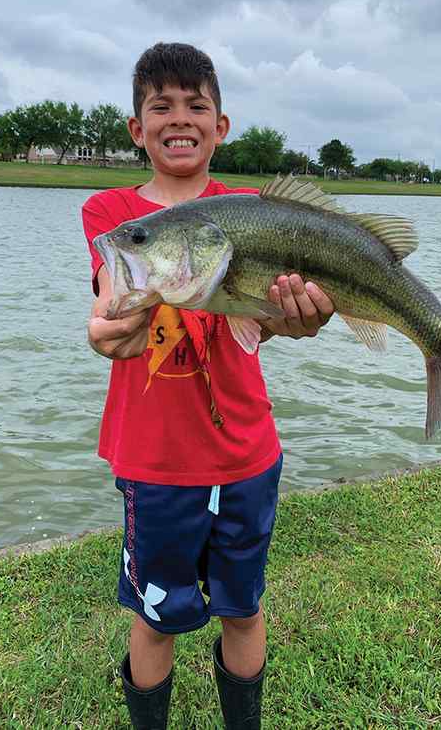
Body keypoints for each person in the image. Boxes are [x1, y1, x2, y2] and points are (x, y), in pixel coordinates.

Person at [82, 42, 334, 729]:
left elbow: (265, 319)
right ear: (137, 127)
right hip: (154, 460)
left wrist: (293, 321)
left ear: (222, 125)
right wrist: (103, 329)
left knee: (243, 607)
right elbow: (112, 299)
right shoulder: (114, 217)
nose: (179, 117)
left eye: (197, 104)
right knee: (155, 615)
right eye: (159, 105)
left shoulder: (249, 208)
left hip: (248, 453)